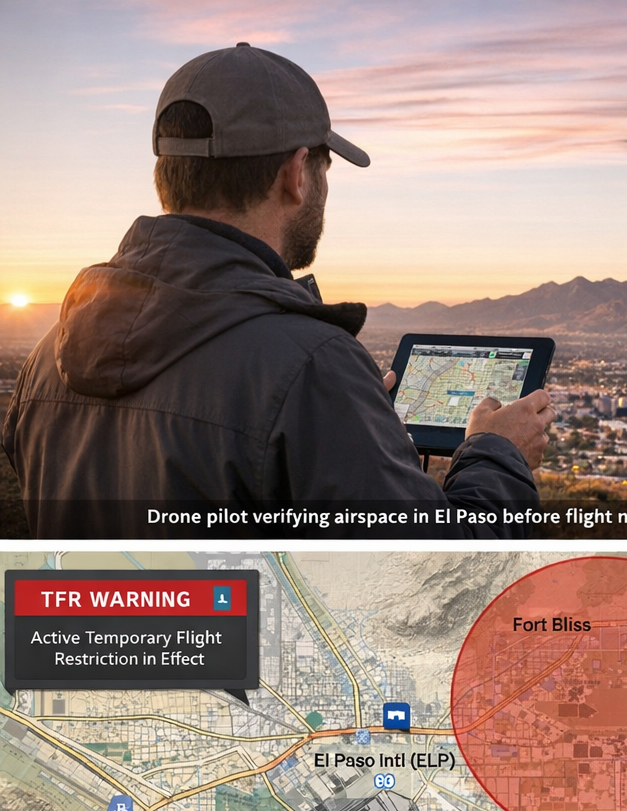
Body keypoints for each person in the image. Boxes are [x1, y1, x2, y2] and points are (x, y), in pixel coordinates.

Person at [2, 43, 555, 537]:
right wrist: (495, 453)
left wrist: (360, 437)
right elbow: (442, 581)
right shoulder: (311, 368)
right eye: (325, 170)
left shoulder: (52, 354)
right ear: (296, 174)